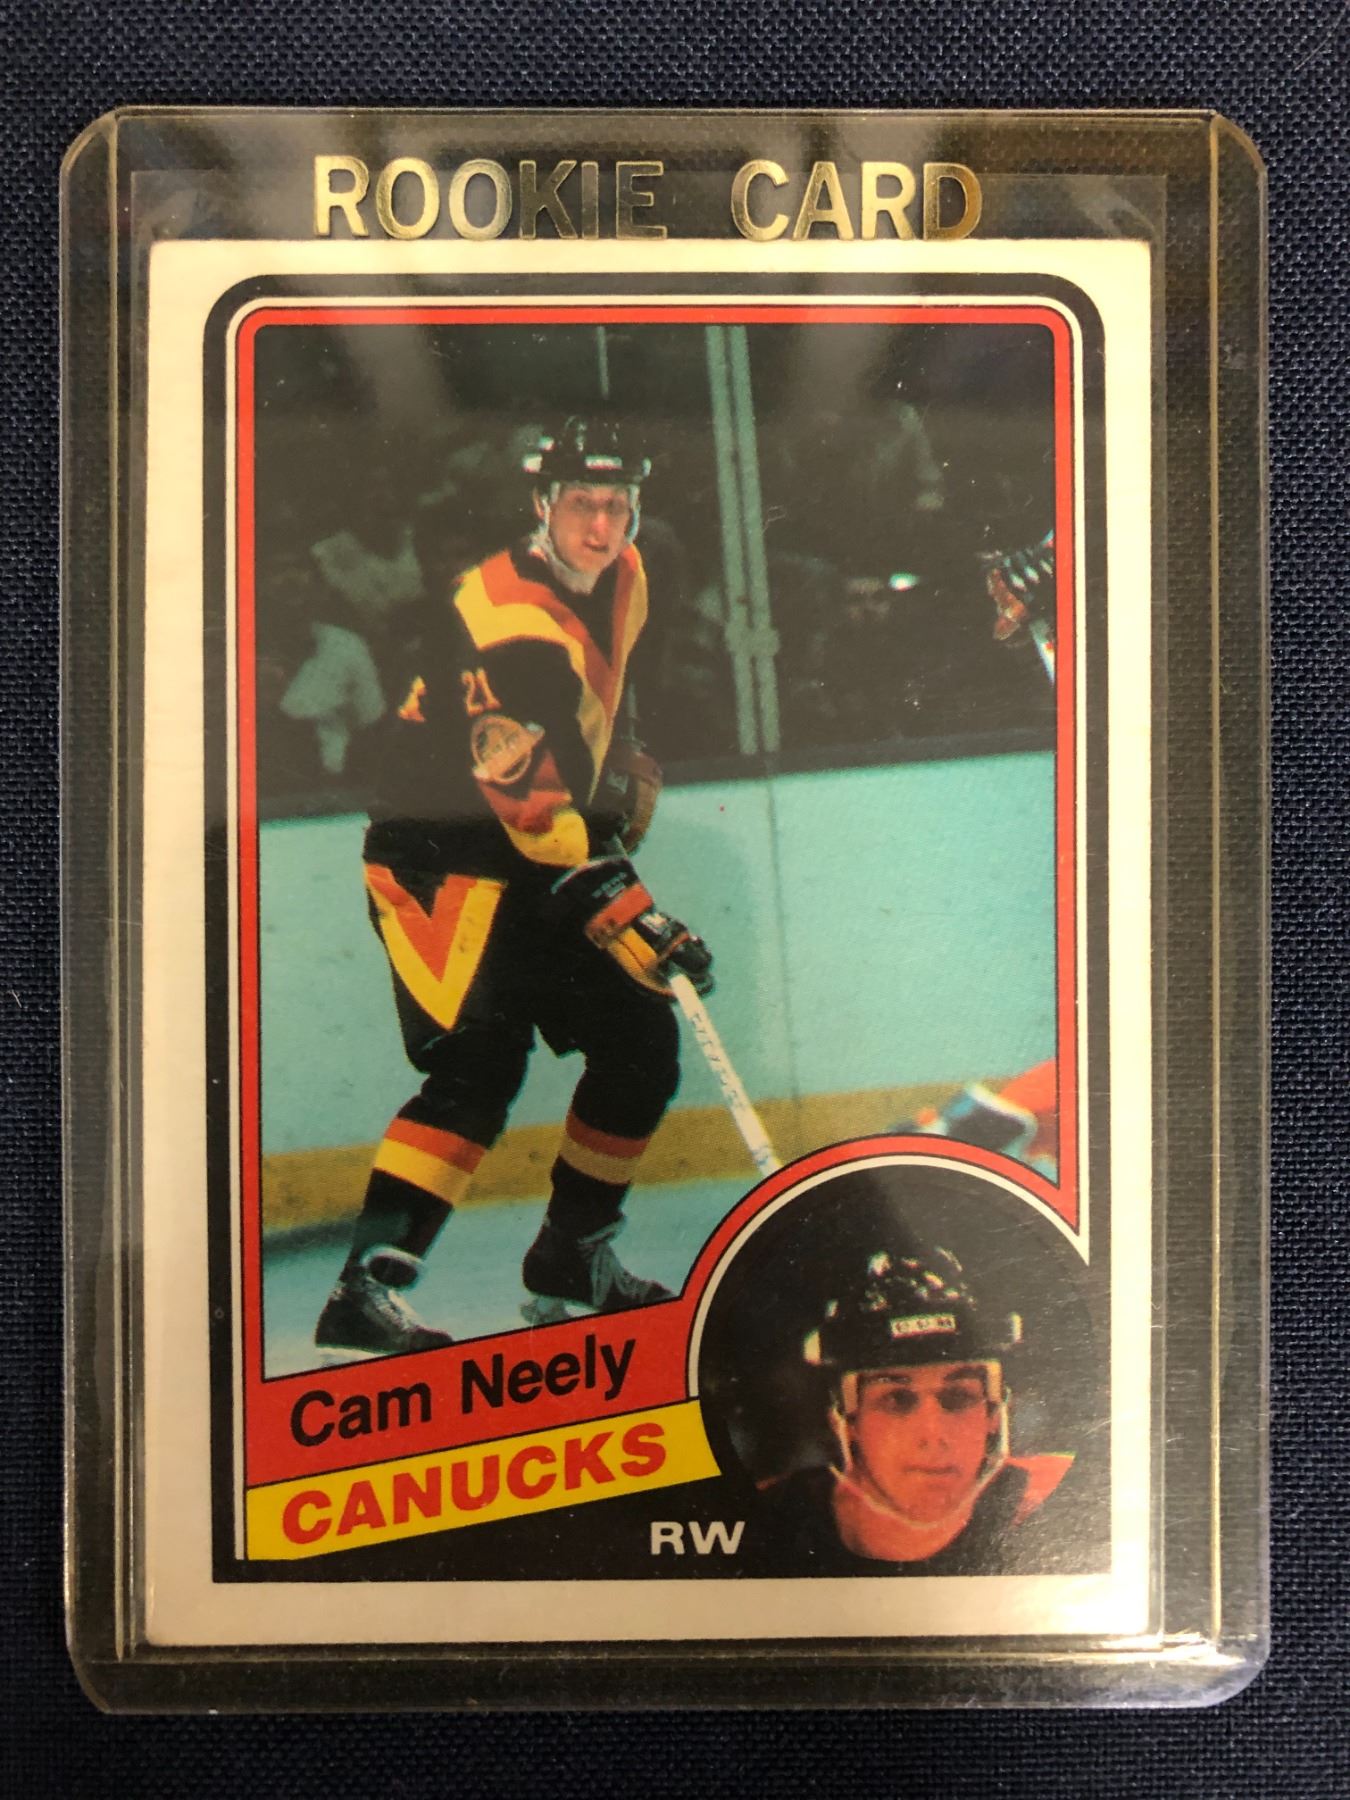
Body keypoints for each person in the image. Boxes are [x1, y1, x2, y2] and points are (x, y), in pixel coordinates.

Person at [315, 418, 712, 1359]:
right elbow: (525, 797)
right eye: (581, 504)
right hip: (438, 855)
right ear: (542, 504)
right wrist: (623, 899)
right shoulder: (500, 616)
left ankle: (573, 1255)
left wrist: (624, 759)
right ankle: (362, 1293)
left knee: (639, 1041)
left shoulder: (629, 571)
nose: (601, 525)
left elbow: (608, 690)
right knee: (478, 1066)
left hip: (531, 848)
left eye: (617, 504)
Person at [746, 1229, 1072, 1574]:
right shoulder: (770, 1514)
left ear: (993, 1413)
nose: (933, 1435)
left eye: (958, 1397)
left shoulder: (1059, 1495)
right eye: (897, 1400)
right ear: (845, 1419)